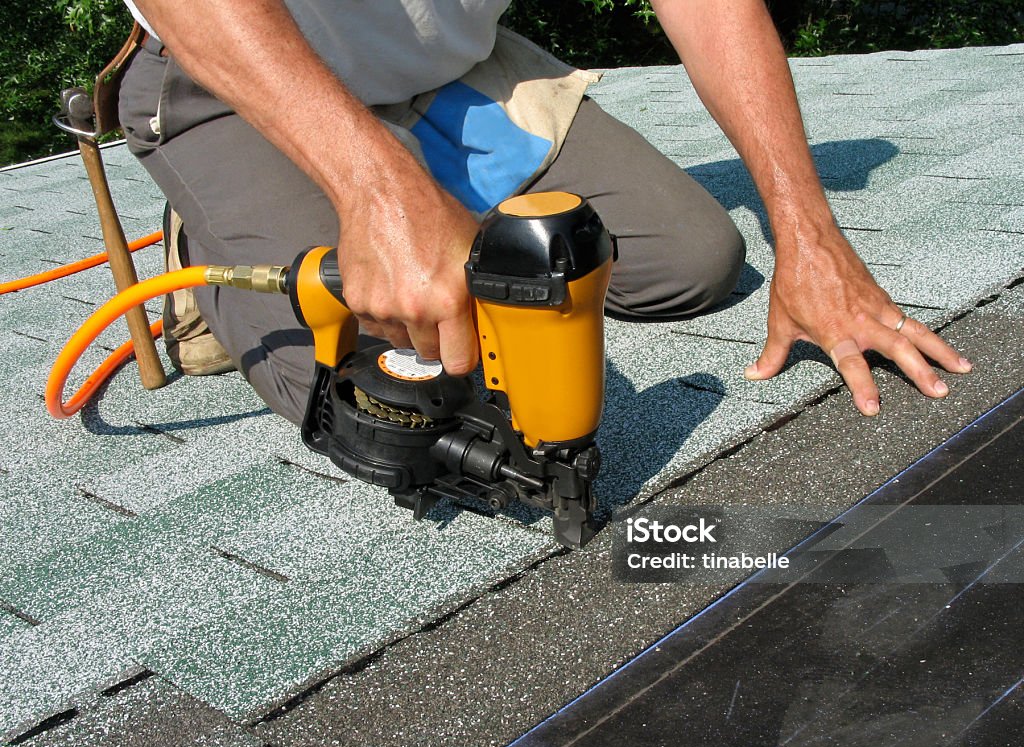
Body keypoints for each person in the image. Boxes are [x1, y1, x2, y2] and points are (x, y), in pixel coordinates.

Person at [117, 0, 970, 427]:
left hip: (447, 73)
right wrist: (377, 194)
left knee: (695, 261)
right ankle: (212, 234)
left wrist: (808, 234)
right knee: (393, 399)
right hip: (245, 80)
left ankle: (426, 180)